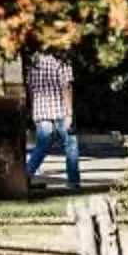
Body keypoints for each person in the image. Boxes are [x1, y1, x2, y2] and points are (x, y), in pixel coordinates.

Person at [22, 49, 79, 191]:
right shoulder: (61, 61)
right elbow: (66, 87)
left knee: (42, 146)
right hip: (60, 110)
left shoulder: (33, 63)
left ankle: (26, 176)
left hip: (40, 111)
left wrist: (33, 109)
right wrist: (69, 113)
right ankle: (73, 182)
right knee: (70, 145)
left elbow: (30, 90)